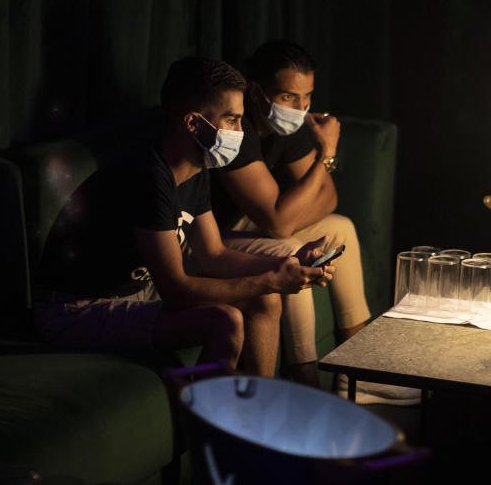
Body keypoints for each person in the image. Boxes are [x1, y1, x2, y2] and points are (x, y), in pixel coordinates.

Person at [32, 56, 335, 374]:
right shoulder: (149, 176)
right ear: (193, 123)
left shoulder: (196, 166)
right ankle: (206, 422)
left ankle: (258, 412)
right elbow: (176, 289)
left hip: (132, 292)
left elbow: (214, 255)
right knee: (225, 320)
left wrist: (287, 264)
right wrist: (270, 280)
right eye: (231, 120)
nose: (241, 133)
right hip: (74, 309)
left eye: (241, 121)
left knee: (265, 301)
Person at [212, 40, 419, 405]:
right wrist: (327, 152)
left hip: (253, 227)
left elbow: (329, 198)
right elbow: (277, 225)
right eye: (289, 96)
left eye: (307, 97)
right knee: (293, 253)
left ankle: (361, 369)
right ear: (257, 93)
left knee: (341, 226)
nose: (301, 108)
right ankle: (306, 385)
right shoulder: (236, 127)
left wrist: (286, 215)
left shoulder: (288, 131)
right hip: (214, 236)